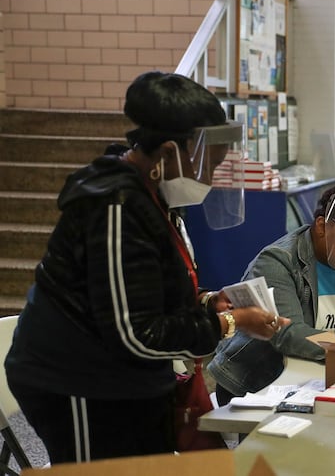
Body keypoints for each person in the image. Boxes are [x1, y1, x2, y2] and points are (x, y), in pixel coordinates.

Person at [3, 71, 289, 464]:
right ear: (169, 153)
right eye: (207, 166)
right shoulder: (116, 207)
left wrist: (207, 302)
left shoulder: (152, 196)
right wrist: (230, 323)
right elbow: (135, 333)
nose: (208, 179)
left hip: (127, 376)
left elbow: (150, 291)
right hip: (77, 379)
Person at [209, 182, 335, 405]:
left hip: (314, 377)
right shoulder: (277, 261)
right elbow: (289, 333)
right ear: (322, 226)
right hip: (256, 387)